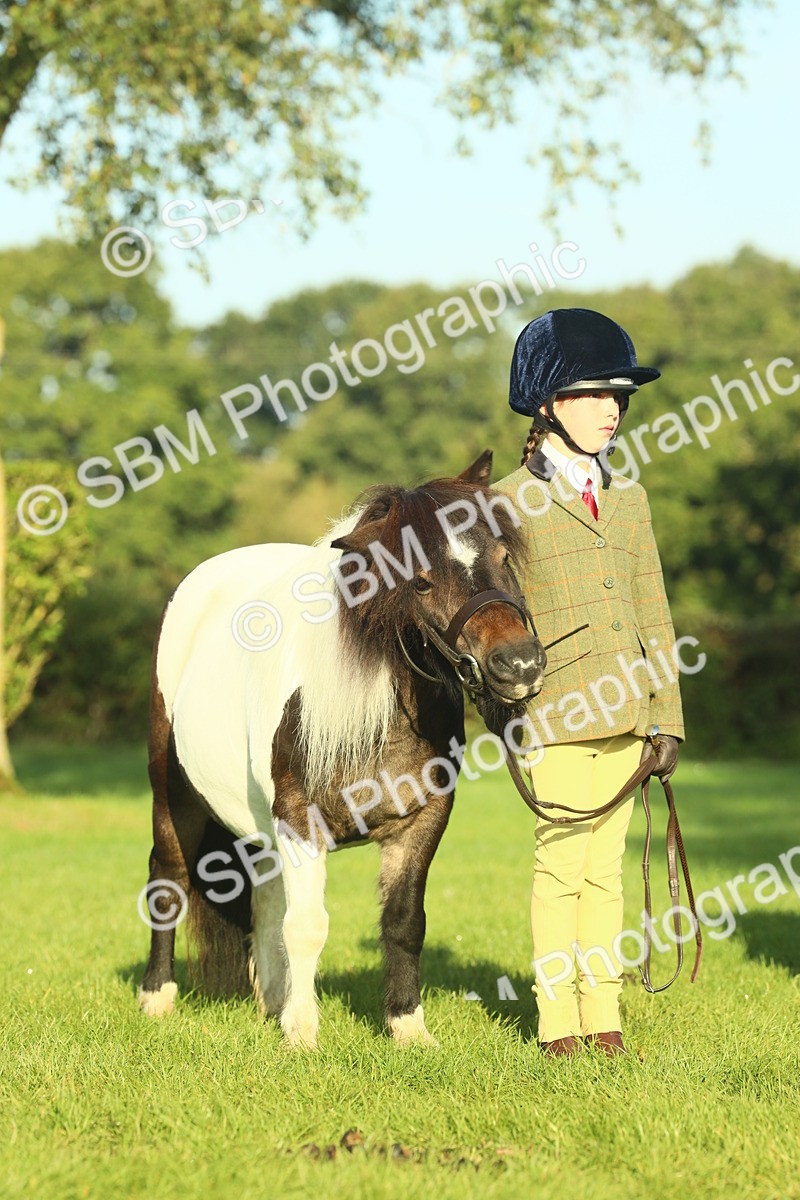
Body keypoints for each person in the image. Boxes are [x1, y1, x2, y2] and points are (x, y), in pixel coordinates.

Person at [493, 307, 684, 1059]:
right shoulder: (508, 503)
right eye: (593, 393)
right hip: (558, 715)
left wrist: (666, 717)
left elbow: (654, 613)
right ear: (547, 405)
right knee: (562, 869)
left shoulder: (630, 498)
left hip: (629, 717)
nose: (612, 409)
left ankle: (603, 1019)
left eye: (620, 397)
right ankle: (555, 1025)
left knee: (606, 874)